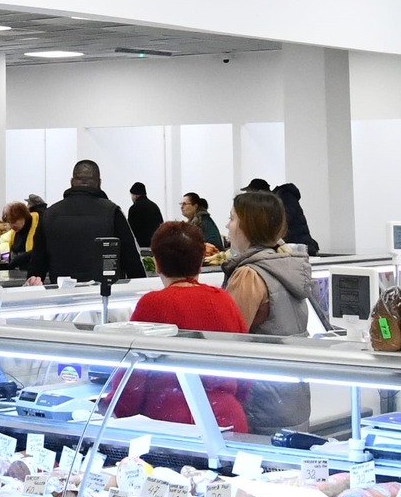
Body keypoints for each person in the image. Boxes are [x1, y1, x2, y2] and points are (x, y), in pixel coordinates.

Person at [111, 221, 249, 430]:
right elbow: (245, 367)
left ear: (156, 263)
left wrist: (117, 410)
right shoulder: (224, 299)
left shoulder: (153, 304)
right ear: (201, 261)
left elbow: (133, 376)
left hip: (172, 424)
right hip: (230, 419)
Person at [222, 188, 314, 430]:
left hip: (259, 400)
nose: (227, 226)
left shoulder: (249, 274)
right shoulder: (288, 266)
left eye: (232, 219)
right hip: (291, 396)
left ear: (248, 226)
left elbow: (228, 339)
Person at [38, 160, 147, 284]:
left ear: (72, 182)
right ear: (99, 183)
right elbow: (132, 260)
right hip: (105, 291)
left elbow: (37, 264)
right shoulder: (113, 212)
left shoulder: (49, 214)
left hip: (61, 292)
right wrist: (142, 287)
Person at [272, 181, 322, 256]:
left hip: (298, 247)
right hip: (301, 246)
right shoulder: (285, 196)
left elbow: (286, 218)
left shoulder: (285, 196)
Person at [126, 181, 165, 250]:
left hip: (140, 247)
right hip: (155, 245)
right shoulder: (154, 206)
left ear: (135, 195)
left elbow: (130, 231)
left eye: (132, 195)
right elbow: (161, 226)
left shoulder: (134, 208)